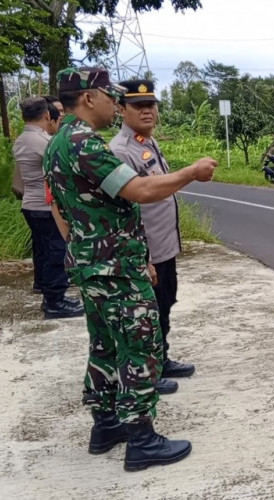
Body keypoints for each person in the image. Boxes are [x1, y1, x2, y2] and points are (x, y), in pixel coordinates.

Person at [43, 67, 217, 472]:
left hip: (91, 263)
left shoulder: (58, 141)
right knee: (139, 344)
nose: (113, 103)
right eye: (109, 95)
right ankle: (142, 438)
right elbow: (138, 190)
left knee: (104, 344)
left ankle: (105, 425)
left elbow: (66, 208)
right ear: (89, 97)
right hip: (113, 266)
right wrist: (191, 173)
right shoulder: (86, 143)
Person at [109, 80, 195, 391]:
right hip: (145, 250)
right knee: (144, 314)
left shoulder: (147, 143)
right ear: (121, 109)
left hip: (164, 246)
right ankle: (147, 372)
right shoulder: (120, 150)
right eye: (137, 105)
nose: (147, 111)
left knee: (164, 303)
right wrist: (142, 257)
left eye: (151, 105)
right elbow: (127, 206)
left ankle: (162, 357)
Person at [13, 96, 83, 318]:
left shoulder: (22, 139)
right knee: (57, 252)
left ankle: (50, 296)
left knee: (45, 251)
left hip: (31, 204)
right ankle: (55, 302)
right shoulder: (42, 142)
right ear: (46, 115)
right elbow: (68, 164)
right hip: (45, 206)